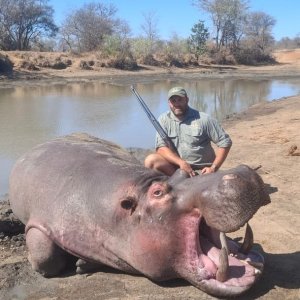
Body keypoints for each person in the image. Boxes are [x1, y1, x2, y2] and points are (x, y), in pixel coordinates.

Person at [144, 86, 232, 177]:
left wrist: (213, 168)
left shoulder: (204, 119)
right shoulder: (163, 120)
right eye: (173, 101)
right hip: (178, 168)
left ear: (187, 100)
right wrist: (181, 163)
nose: (177, 104)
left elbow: (225, 142)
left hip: (202, 171)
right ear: (169, 103)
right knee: (150, 160)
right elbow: (161, 148)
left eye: (180, 100)